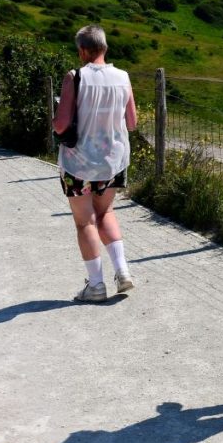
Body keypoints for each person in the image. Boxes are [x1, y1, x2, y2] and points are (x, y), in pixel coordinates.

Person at [53, 25, 138, 303]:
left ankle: (96, 285)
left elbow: (62, 124)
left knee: (85, 222)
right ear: (105, 48)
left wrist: (56, 123)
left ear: (82, 51)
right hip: (113, 161)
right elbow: (132, 123)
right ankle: (123, 270)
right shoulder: (123, 77)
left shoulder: (75, 77)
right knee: (106, 213)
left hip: (78, 163)